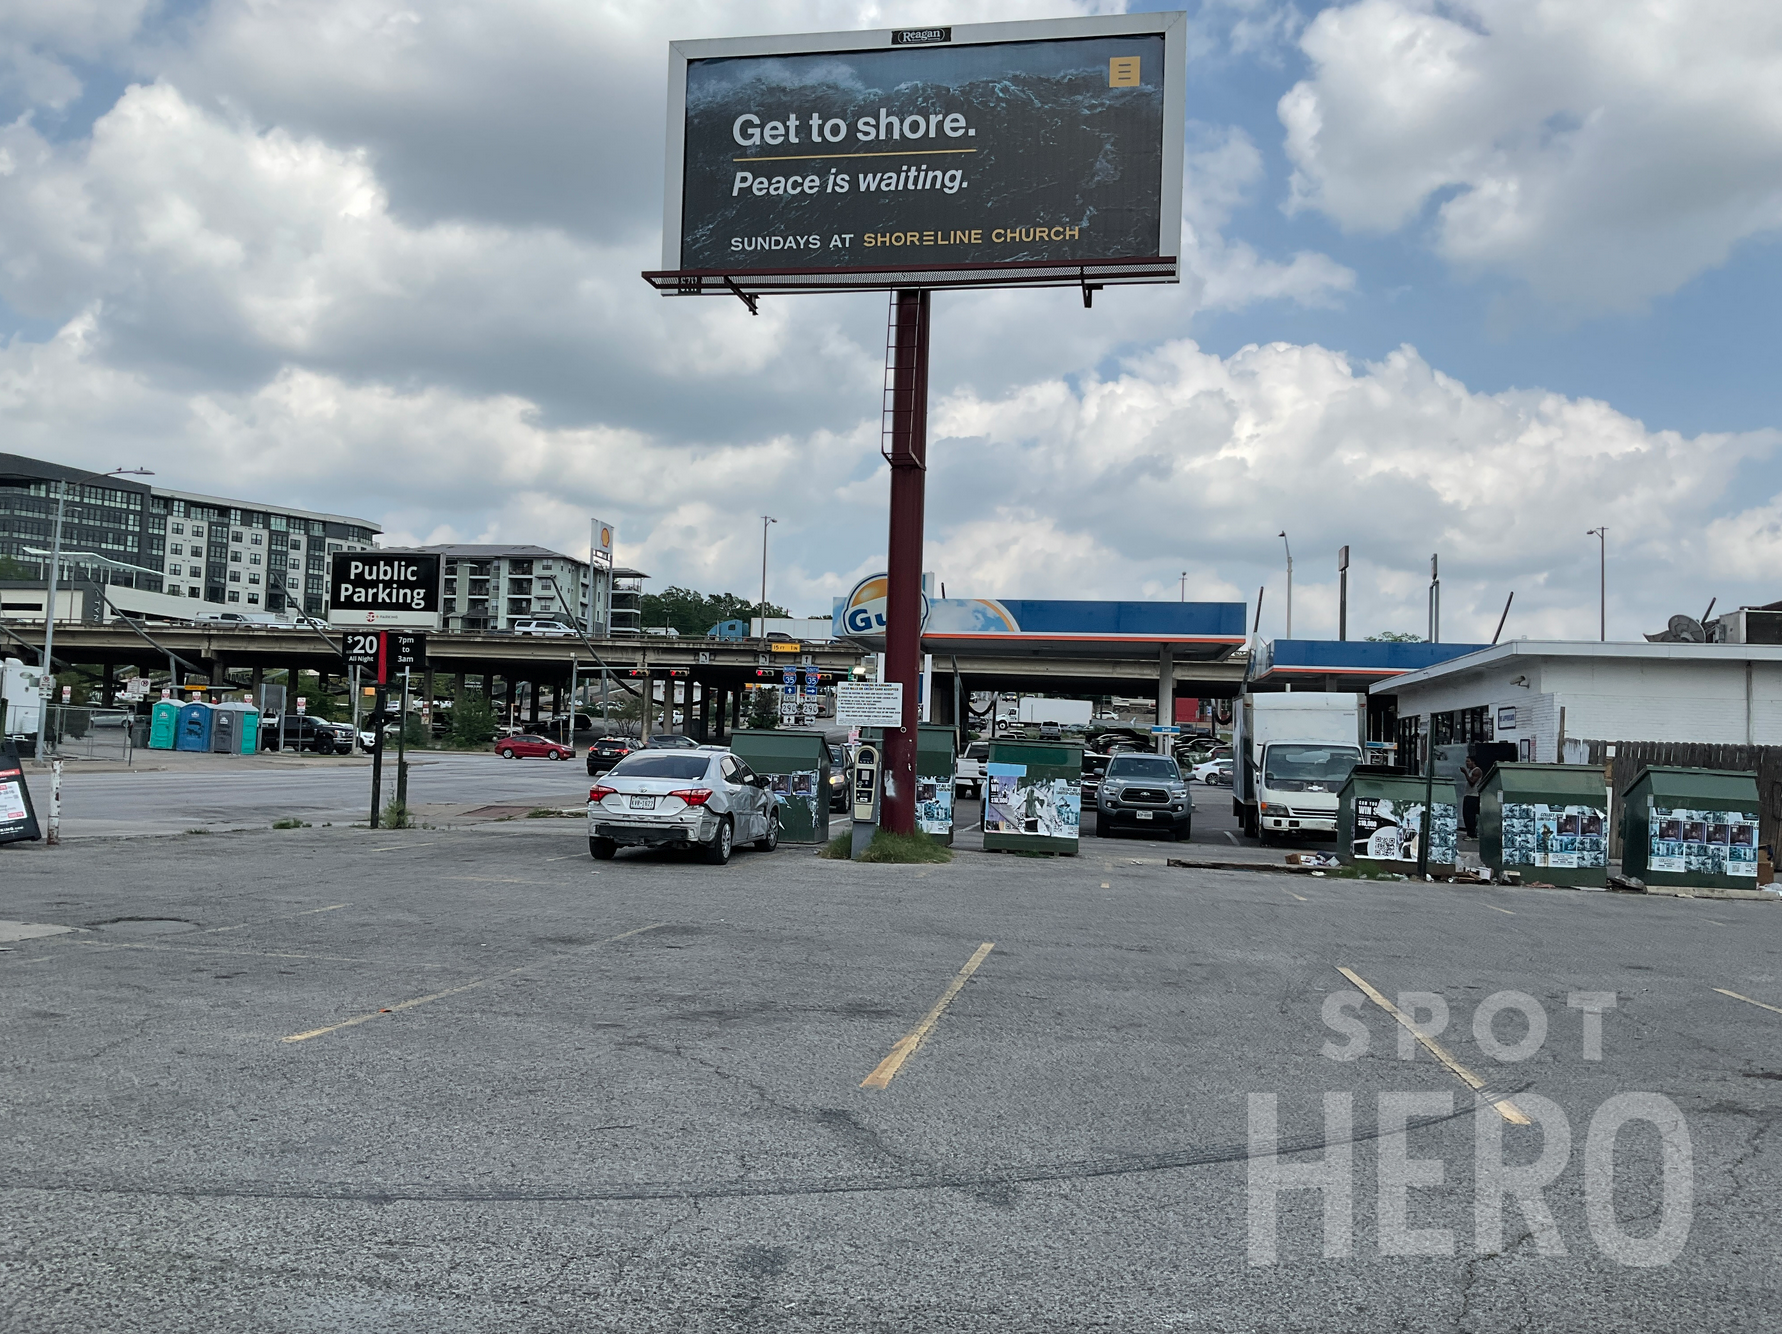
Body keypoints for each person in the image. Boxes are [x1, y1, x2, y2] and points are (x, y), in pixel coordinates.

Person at [1462, 756, 1485, 839]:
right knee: (1466, 815)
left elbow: (1472, 782)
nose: (1467, 763)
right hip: (1468, 794)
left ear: (1473, 762)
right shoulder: (1471, 771)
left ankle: (1472, 834)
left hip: (1473, 796)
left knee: (1470, 815)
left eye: (1468, 761)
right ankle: (1469, 832)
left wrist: (1465, 773)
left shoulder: (1477, 771)